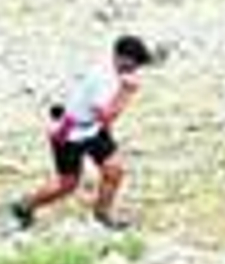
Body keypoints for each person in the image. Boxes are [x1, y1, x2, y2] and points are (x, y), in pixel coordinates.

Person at [11, 35, 153, 232]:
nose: (135, 70)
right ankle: (24, 206)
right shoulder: (101, 78)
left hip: (92, 129)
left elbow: (103, 121)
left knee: (114, 170)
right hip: (70, 134)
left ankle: (102, 216)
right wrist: (126, 92)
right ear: (120, 57)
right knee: (67, 184)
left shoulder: (117, 72)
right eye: (133, 64)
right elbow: (107, 117)